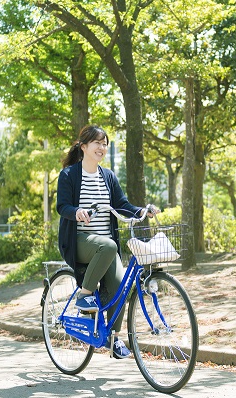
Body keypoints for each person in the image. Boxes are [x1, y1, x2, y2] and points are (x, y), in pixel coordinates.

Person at [56, 124, 159, 359]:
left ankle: (113, 338)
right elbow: (62, 206)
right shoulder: (70, 175)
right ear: (83, 146)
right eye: (97, 143)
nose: (101, 147)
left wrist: (143, 210)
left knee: (120, 286)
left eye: (104, 143)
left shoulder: (108, 176)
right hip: (79, 241)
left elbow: (122, 205)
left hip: (105, 245)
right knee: (109, 246)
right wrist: (76, 211)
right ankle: (84, 295)